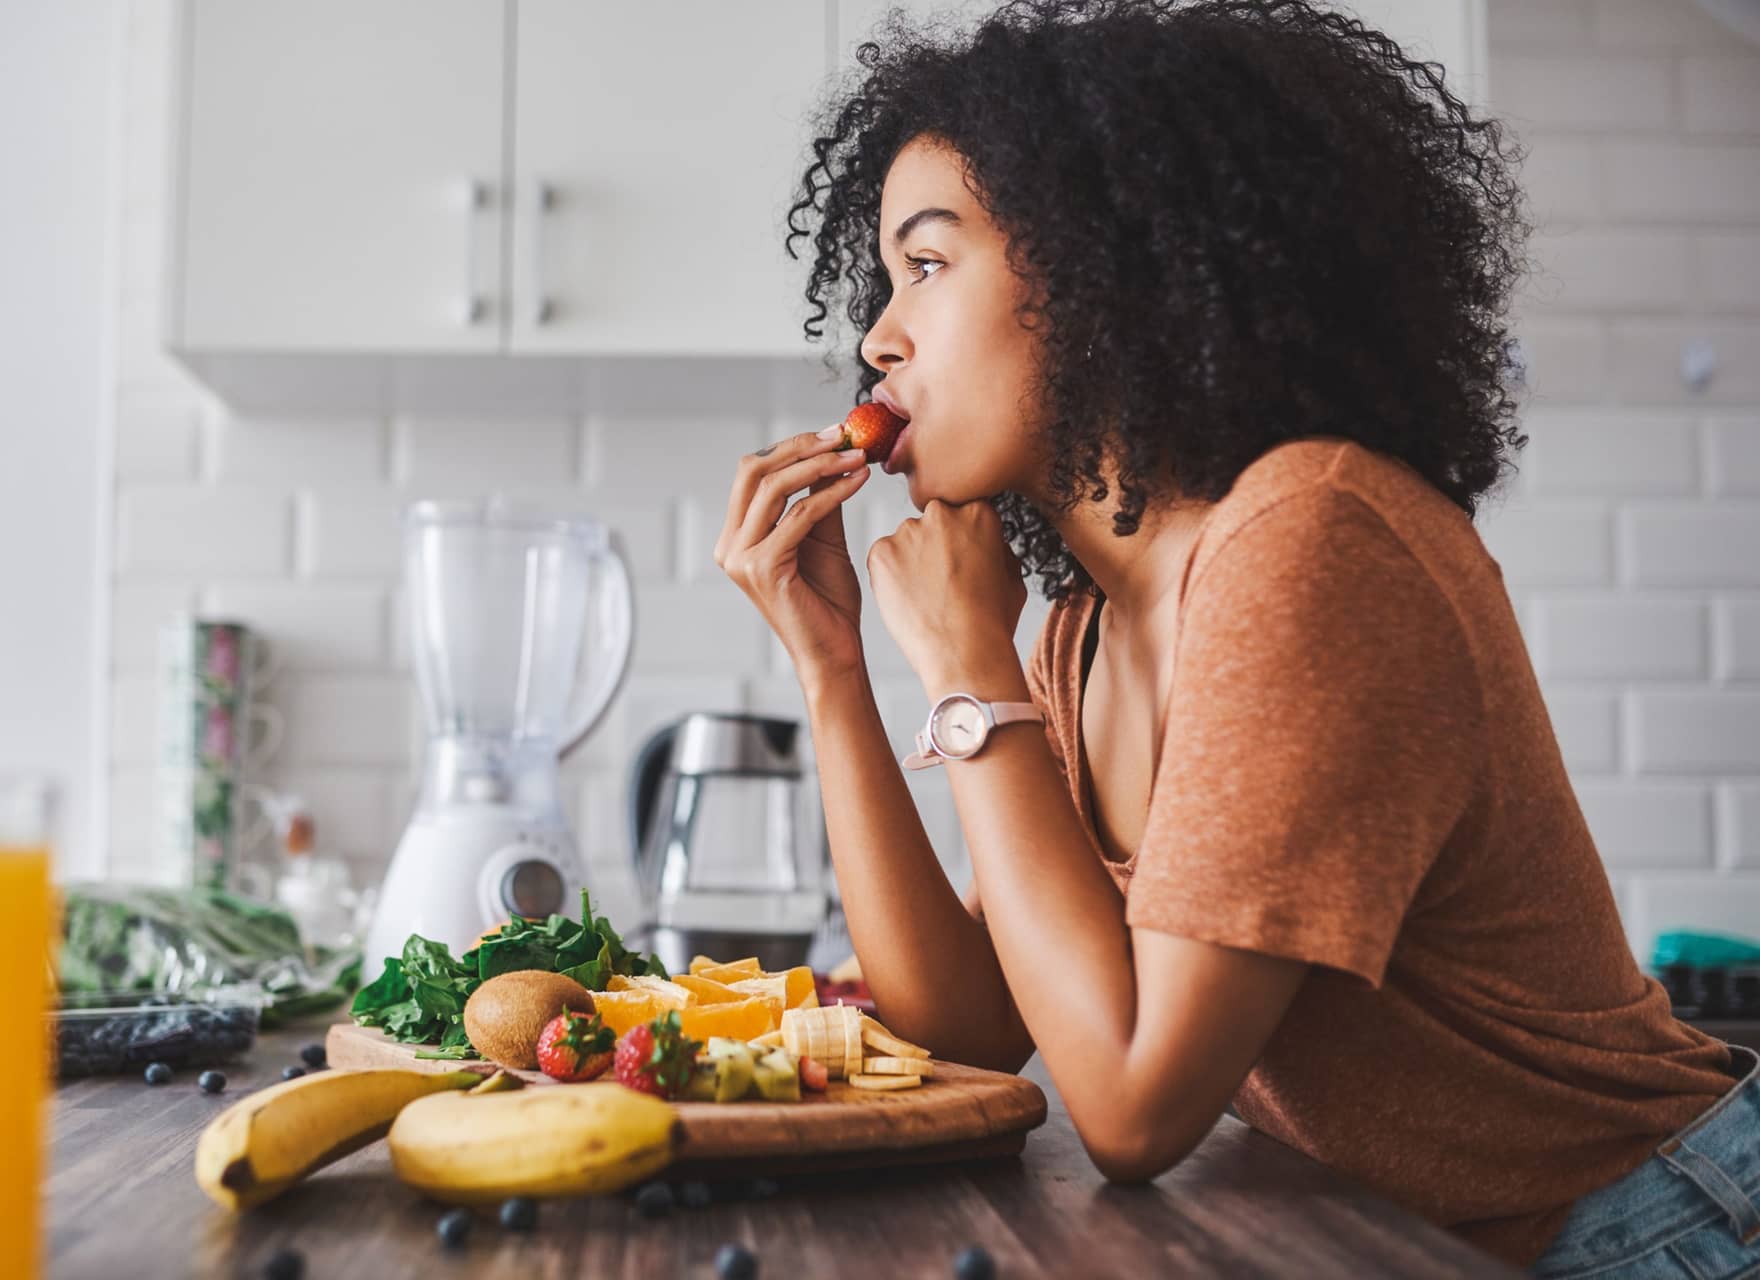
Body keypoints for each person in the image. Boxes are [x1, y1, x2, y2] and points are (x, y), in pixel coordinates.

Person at [713, 2, 1760, 1274]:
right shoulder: (1085, 625)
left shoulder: (1307, 541)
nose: (877, 333)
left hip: (1652, 1228)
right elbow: (972, 1027)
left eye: (925, 265)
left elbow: (1133, 1105)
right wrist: (832, 669)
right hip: (1415, 1238)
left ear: (1103, 268)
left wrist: (968, 671)